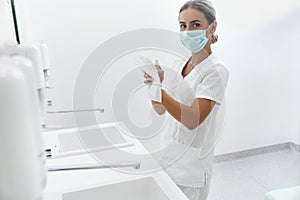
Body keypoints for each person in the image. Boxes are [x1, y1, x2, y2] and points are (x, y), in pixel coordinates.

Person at [143, 0, 229, 199]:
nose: (188, 31)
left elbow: (192, 120)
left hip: (191, 171)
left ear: (212, 27)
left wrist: (160, 93)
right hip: (167, 160)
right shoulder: (179, 64)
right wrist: (154, 85)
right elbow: (160, 110)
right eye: (183, 25)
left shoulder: (216, 71)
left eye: (195, 25)